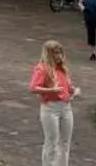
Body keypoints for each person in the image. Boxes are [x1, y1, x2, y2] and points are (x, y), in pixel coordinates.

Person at [28, 38, 75, 166]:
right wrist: (50, 90)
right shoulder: (42, 68)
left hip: (66, 106)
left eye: (60, 52)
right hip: (50, 108)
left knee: (65, 142)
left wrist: (72, 90)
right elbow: (33, 87)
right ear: (49, 54)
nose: (59, 55)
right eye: (56, 53)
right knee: (52, 141)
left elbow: (67, 87)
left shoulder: (62, 68)